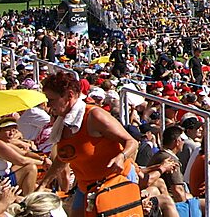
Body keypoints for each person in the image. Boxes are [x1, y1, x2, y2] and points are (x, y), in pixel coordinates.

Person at [37, 71, 143, 217]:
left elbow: (131, 141)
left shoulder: (94, 116)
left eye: (52, 100)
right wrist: (43, 185)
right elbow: (64, 158)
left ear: (69, 95)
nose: (48, 105)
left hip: (114, 182)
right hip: (85, 186)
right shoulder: (63, 123)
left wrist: (121, 156)